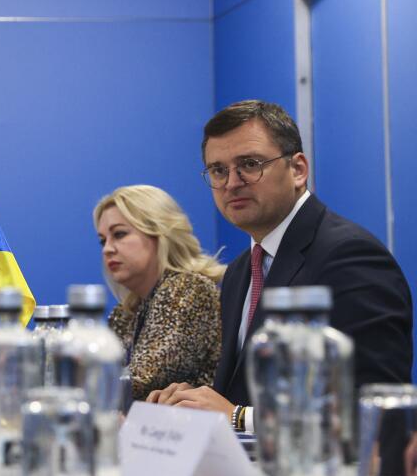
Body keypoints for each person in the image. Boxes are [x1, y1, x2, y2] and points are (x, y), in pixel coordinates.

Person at [149, 100, 413, 431]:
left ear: (298, 170)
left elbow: (373, 410)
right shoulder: (239, 271)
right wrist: (193, 402)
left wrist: (238, 417)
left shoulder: (350, 256)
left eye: (250, 163)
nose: (232, 182)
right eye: (218, 170)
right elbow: (240, 392)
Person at [94, 185, 224, 401]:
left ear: (160, 233)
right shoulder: (124, 312)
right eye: (102, 240)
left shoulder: (188, 289)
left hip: (195, 429)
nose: (107, 248)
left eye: (119, 234)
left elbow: (142, 379)